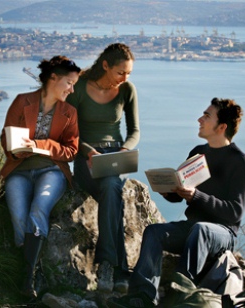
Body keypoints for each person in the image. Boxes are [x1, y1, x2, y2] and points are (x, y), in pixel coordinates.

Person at [109, 98, 245, 308]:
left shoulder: (240, 161)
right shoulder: (198, 152)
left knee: (200, 229)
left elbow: (235, 212)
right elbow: (181, 193)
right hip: (192, 228)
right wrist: (170, 190)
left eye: (207, 116)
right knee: (154, 232)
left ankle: (180, 294)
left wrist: (196, 196)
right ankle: (142, 297)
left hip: (223, 233)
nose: (199, 119)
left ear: (222, 127)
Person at [0, 55, 81, 298]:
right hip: (20, 169)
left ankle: (27, 278)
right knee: (18, 217)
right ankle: (31, 264)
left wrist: (40, 145)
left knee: (39, 209)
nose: (72, 89)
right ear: (53, 78)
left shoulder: (70, 113)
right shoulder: (21, 102)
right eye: (69, 82)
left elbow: (71, 151)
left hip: (52, 170)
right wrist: (16, 148)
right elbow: (6, 139)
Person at [66, 43, 140, 293]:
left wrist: (124, 150)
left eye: (129, 73)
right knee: (112, 192)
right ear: (105, 65)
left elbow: (135, 131)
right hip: (87, 155)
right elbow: (70, 132)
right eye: (121, 72)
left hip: (116, 155)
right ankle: (119, 270)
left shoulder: (127, 89)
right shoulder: (79, 88)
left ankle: (107, 264)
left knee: (111, 185)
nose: (125, 78)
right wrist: (88, 152)